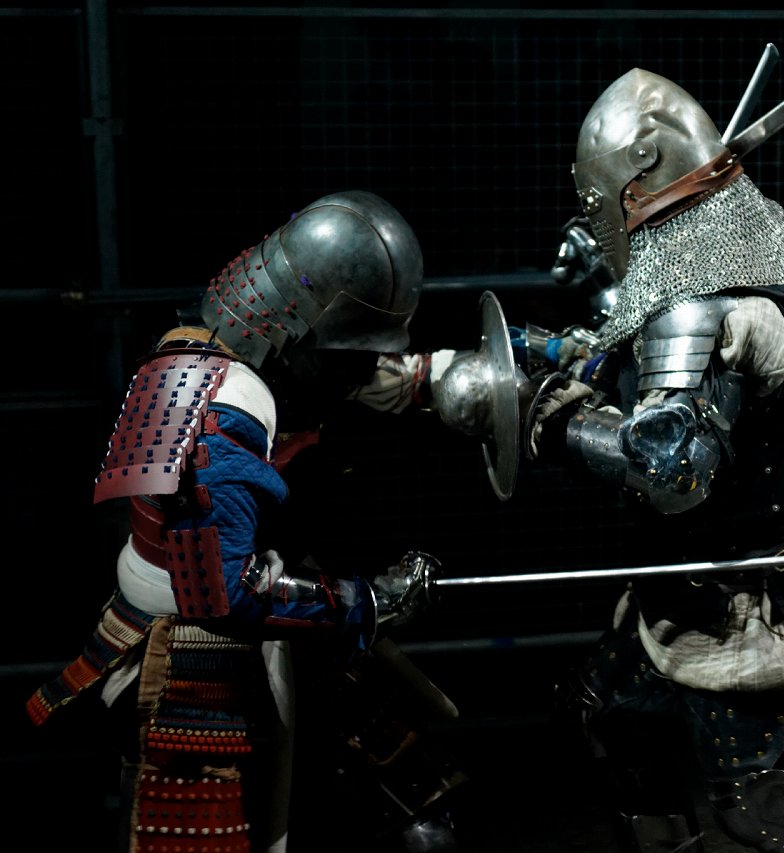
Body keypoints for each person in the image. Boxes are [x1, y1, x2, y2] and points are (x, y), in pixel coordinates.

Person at [25, 190, 465, 853]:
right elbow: (223, 590)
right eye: (348, 350)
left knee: (413, 808)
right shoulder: (224, 401)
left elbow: (391, 379)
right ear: (303, 331)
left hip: (259, 615)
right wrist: (366, 601)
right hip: (196, 651)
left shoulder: (227, 353)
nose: (361, 367)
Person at [524, 67, 784, 852]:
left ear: (635, 183)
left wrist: (551, 422)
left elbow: (672, 469)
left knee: (775, 806)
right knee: (611, 715)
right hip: (701, 579)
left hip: (746, 606)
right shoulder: (763, 252)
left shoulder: (705, 300)